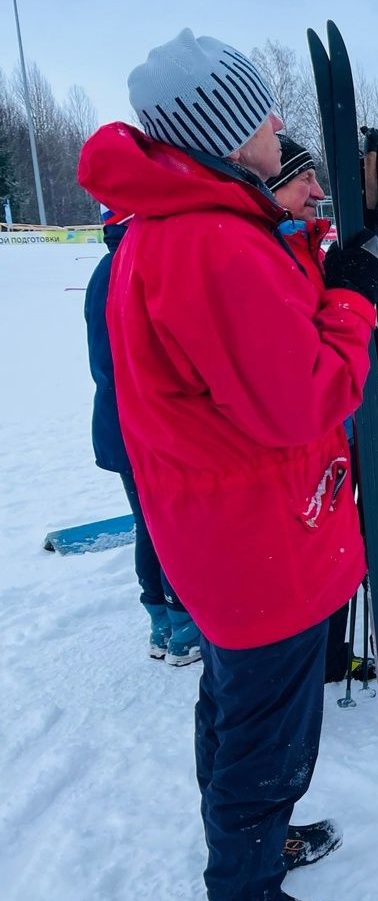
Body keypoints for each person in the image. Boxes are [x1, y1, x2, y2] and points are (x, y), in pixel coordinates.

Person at [78, 29, 378, 901]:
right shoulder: (207, 242)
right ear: (219, 132)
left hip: (234, 527)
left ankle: (256, 846)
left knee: (238, 706)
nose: (279, 123)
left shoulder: (196, 219)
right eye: (259, 114)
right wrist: (355, 299)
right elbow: (305, 397)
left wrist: (320, 282)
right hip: (258, 540)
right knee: (265, 737)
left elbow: (268, 352)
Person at [85, 207, 204, 667]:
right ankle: (181, 625)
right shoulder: (134, 265)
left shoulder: (109, 268)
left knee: (149, 525)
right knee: (169, 527)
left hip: (121, 426)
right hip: (142, 427)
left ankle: (162, 620)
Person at [265, 134, 360, 683]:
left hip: (331, 440)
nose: (319, 192)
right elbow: (298, 376)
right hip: (298, 449)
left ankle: (328, 652)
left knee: (333, 556)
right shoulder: (264, 255)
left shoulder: (301, 246)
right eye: (305, 179)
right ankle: (314, 658)